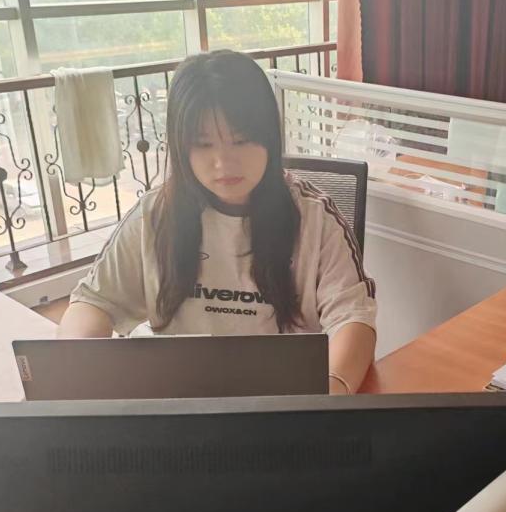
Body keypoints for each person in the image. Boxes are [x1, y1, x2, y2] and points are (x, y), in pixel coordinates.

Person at [58, 51, 377, 394]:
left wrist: (331, 392)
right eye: (203, 144)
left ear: (269, 138)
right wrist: (73, 370)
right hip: (182, 400)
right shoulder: (155, 215)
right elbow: (94, 301)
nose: (223, 162)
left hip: (283, 401)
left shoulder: (315, 218)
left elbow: (353, 319)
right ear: (181, 147)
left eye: (240, 141)